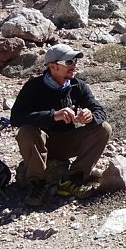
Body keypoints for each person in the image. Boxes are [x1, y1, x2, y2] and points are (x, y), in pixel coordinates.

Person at [10, 43, 112, 207]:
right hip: (39, 143)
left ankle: (72, 180)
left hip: (66, 142)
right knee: (27, 131)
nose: (74, 66)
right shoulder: (34, 87)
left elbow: (100, 111)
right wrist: (53, 116)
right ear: (53, 67)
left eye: (75, 62)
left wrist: (90, 116)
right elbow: (16, 117)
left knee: (103, 128)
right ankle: (37, 184)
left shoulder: (78, 86)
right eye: (69, 62)